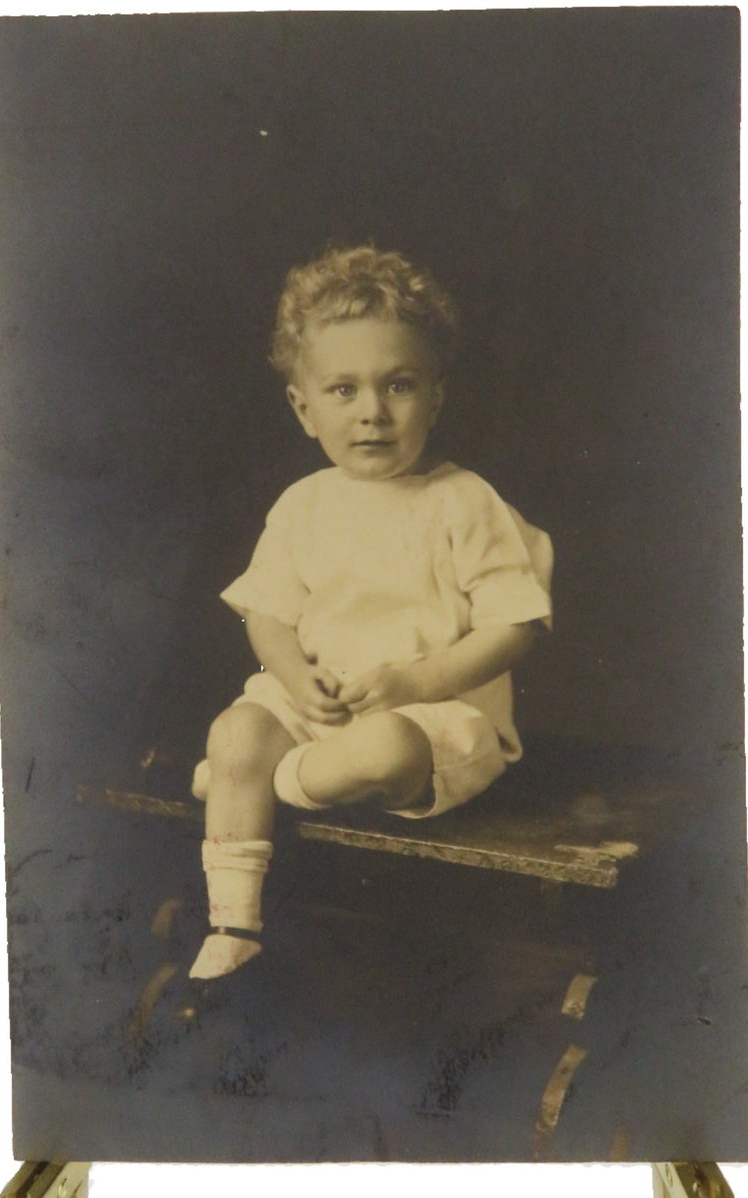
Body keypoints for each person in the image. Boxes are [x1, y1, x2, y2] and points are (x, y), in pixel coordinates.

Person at [188, 245, 553, 983]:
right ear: (304, 407)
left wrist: (416, 682)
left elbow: (515, 624)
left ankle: (261, 779)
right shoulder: (304, 505)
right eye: (344, 390)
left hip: (428, 717)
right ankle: (234, 923)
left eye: (399, 386)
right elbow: (269, 618)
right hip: (317, 709)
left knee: (381, 750)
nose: (373, 413)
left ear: (436, 397)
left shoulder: (462, 501)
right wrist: (292, 677)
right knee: (235, 728)